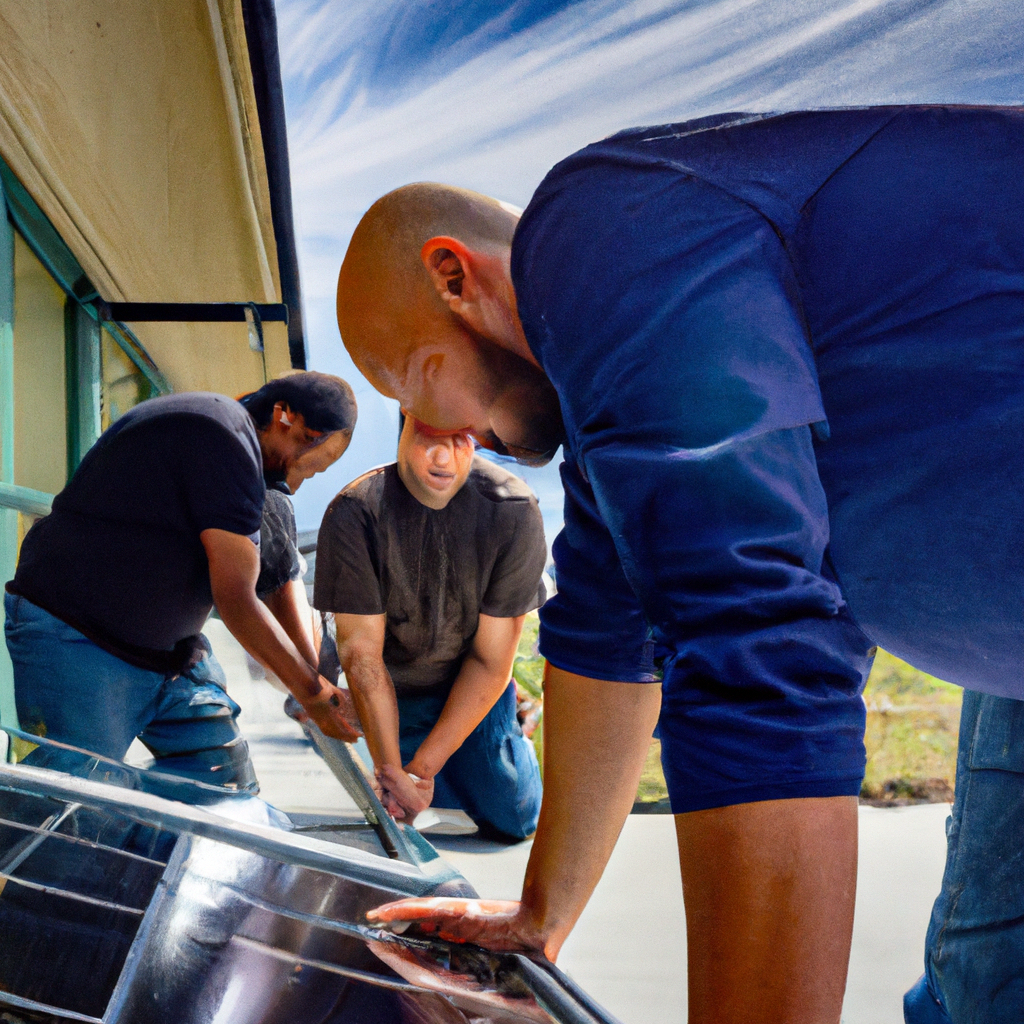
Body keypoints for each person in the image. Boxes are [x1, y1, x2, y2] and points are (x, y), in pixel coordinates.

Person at [331, 106, 1024, 1024]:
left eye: (406, 377)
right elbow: (604, 632)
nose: (443, 430)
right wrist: (540, 918)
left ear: (454, 276)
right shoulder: (617, 397)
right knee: (981, 988)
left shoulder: (603, 231)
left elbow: (753, 642)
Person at [4, 372, 361, 790]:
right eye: (309, 461)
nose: (299, 481)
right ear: (284, 416)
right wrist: (313, 694)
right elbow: (236, 600)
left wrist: (313, 682)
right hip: (81, 641)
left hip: (171, 658)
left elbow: (276, 578)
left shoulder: (245, 460)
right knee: (79, 806)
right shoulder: (218, 434)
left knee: (225, 795)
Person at [313, 413, 546, 840]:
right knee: (398, 805)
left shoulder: (514, 509)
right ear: (403, 428)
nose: (443, 458)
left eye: (459, 440)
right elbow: (362, 655)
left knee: (514, 819)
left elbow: (490, 660)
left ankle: (514, 733)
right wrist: (394, 776)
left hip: (474, 687)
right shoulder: (355, 511)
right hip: (393, 687)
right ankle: (407, 747)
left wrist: (421, 770)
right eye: (428, 438)